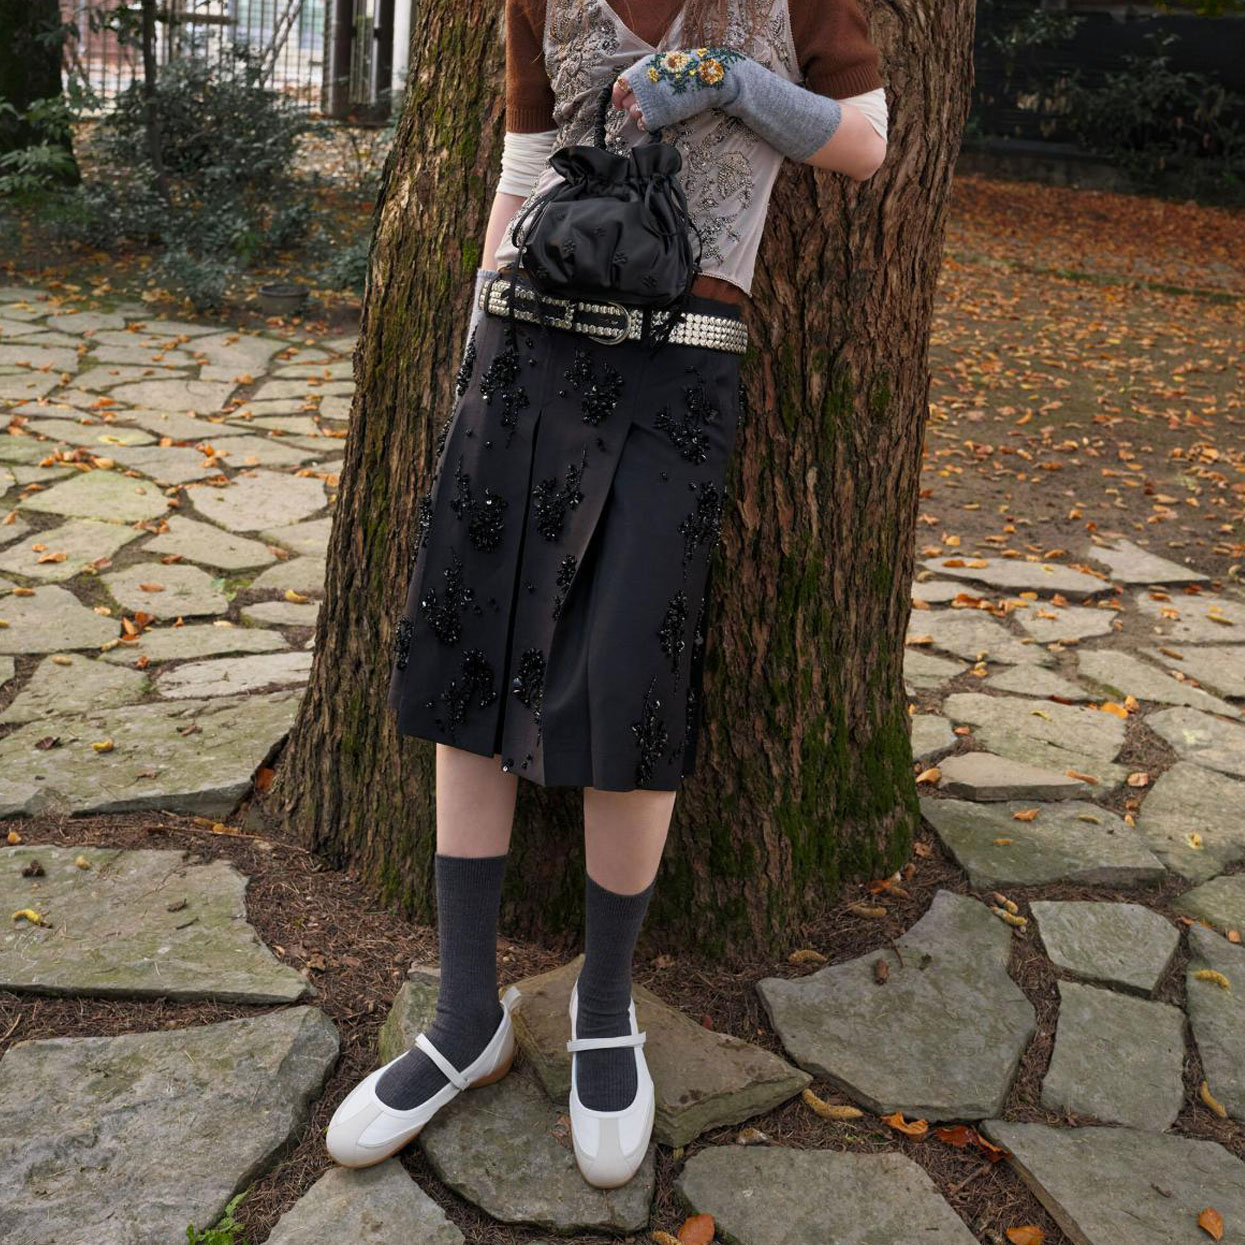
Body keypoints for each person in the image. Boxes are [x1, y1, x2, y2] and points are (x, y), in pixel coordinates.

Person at [326, 0, 887, 1191]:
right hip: (524, 347)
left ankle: (604, 1008)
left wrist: (726, 77)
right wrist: (477, 343)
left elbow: (865, 143)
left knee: (633, 672)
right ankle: (466, 1017)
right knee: (471, 654)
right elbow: (524, 166)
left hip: (683, 365)